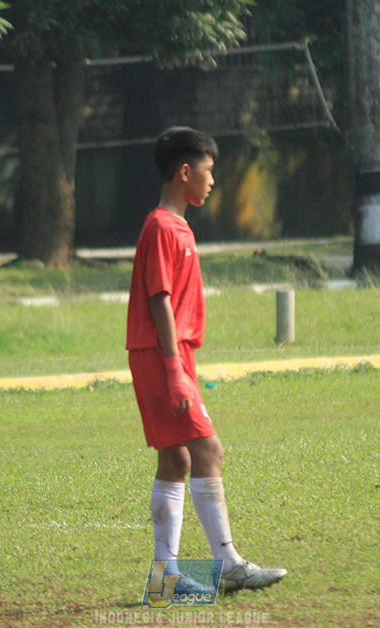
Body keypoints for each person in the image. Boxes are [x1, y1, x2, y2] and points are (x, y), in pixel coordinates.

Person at [126, 127, 287, 592]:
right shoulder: (162, 226)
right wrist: (175, 370)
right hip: (161, 356)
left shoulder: (177, 226)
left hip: (168, 354)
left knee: (177, 458)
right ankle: (229, 564)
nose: (212, 180)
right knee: (208, 450)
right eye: (208, 170)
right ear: (184, 172)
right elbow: (159, 300)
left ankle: (166, 578)